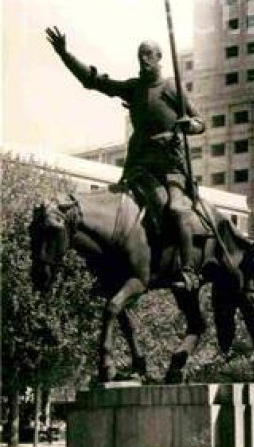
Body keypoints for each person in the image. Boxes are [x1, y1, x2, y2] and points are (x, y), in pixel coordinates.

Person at [46, 26, 205, 291]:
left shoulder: (171, 89)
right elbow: (94, 81)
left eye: (148, 54)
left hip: (170, 170)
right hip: (139, 168)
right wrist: (66, 54)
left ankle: (188, 269)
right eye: (140, 54)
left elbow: (201, 121)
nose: (143, 59)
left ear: (158, 57)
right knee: (115, 210)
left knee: (176, 209)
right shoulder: (134, 88)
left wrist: (190, 125)